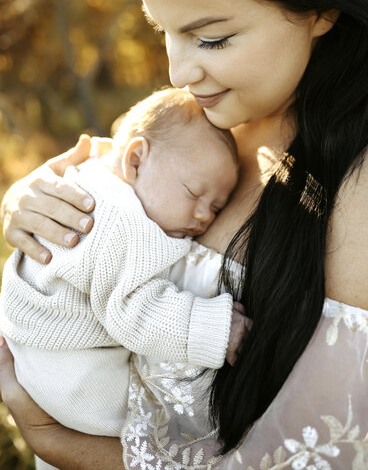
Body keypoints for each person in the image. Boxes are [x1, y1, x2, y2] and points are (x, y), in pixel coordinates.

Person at [1, 0, 368, 469]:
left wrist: (58, 441)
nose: (178, 72)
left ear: (321, 9)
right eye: (163, 31)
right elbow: (94, 237)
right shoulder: (195, 131)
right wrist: (33, 210)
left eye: (211, 39)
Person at [0, 87, 246, 451]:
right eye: (194, 194)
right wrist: (216, 329)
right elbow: (133, 309)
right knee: (172, 430)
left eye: (216, 207)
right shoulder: (117, 220)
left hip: (42, 365)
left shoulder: (98, 178)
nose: (203, 216)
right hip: (74, 381)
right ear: (134, 160)